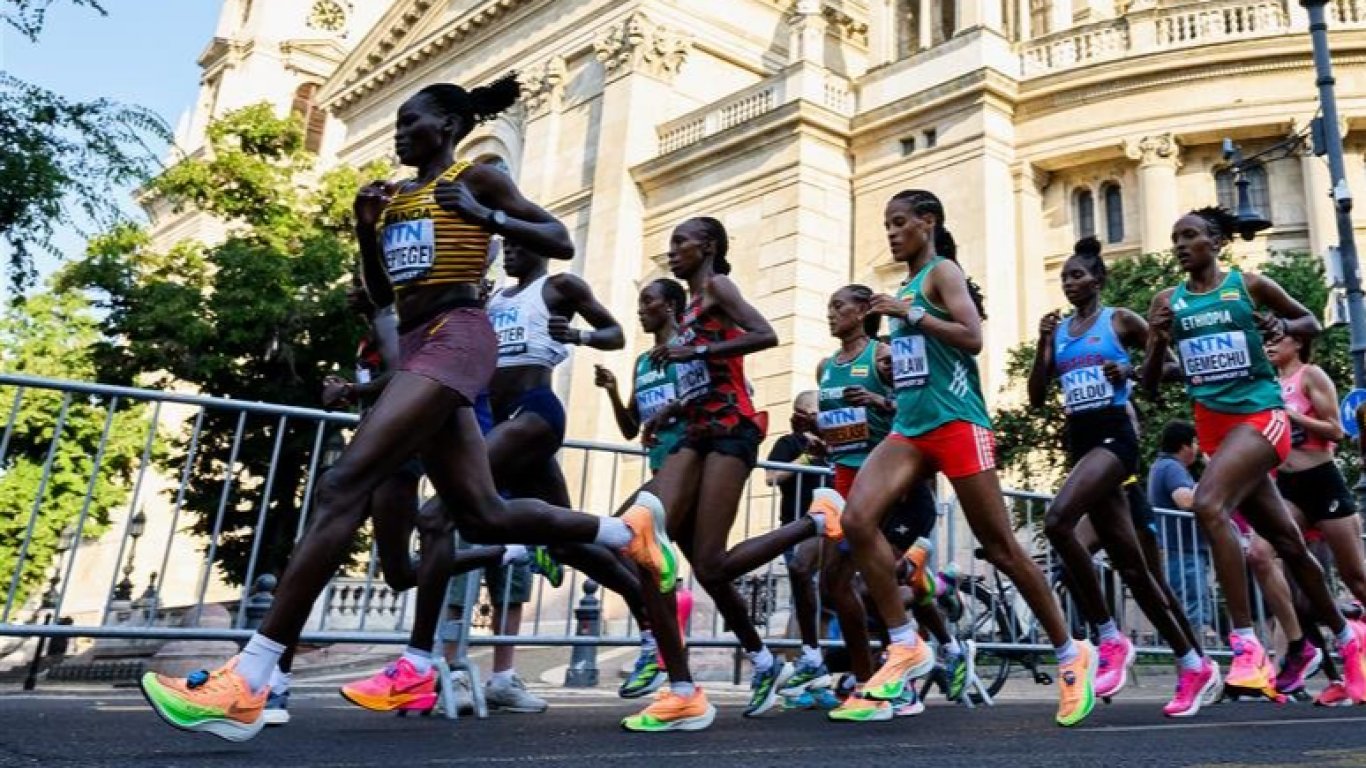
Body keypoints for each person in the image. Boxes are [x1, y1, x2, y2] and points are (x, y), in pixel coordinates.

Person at [139, 75, 676, 742]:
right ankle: (627, 534)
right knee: (484, 511)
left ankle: (252, 676)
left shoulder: (476, 178)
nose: (399, 133)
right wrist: (366, 230)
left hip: (458, 335)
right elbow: (380, 294)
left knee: (344, 485)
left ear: (447, 128)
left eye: (411, 122)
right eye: (395, 122)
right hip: (420, 340)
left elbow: (558, 235)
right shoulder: (393, 199)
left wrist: (487, 218)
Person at [341, 237, 655, 715]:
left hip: (534, 412)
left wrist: (578, 337)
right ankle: (651, 609)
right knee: (566, 542)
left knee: (436, 517)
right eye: (504, 248)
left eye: (518, 246)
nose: (509, 253)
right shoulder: (493, 300)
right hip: (498, 418)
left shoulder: (559, 286)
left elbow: (614, 332)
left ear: (539, 249)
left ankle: (417, 662)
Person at [836, 189, 1097, 728]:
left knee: (1001, 548)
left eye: (899, 222)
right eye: (886, 224)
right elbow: (922, 358)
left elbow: (971, 338)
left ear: (927, 223)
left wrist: (910, 314)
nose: (890, 232)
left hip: (957, 424)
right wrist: (895, 368)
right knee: (856, 519)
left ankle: (1072, 652)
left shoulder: (942, 272)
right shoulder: (908, 286)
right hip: (910, 425)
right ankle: (906, 643)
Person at [618, 217, 837, 732]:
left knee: (712, 564)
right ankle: (686, 686)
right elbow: (698, 380)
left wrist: (696, 350)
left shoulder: (718, 287)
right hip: (694, 431)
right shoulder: (691, 304)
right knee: (645, 533)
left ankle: (815, 519)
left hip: (732, 431)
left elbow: (765, 334)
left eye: (680, 242)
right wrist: (666, 412)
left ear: (708, 247)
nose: (670, 251)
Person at [1141, 205, 1366, 704]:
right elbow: (1152, 385)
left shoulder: (1248, 285)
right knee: (1285, 542)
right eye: (1175, 237)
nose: (1180, 245)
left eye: (1191, 236)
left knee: (1206, 504)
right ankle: (1342, 638)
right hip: (1215, 430)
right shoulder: (1167, 301)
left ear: (1216, 242)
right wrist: (1156, 337)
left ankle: (1246, 646)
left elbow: (1308, 321)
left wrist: (1273, 322)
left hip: (1262, 418)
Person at [1028, 236, 1212, 716]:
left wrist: (1126, 369)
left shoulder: (1119, 320)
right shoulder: (1062, 330)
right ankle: (1193, 662)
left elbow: (1168, 370)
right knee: (1134, 569)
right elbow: (1035, 395)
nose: (1069, 283)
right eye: (1064, 276)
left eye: (1078, 275)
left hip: (1115, 439)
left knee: (1057, 522)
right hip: (1080, 441)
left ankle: (1108, 638)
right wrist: (1045, 343)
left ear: (1098, 279)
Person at [798, 284, 970, 722]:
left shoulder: (883, 357)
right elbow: (843, 435)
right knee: (831, 585)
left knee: (867, 591)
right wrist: (818, 438)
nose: (830, 313)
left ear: (862, 311)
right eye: (829, 305)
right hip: (848, 489)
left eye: (839, 306)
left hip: (896, 493)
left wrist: (879, 399)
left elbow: (917, 414)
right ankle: (866, 680)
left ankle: (902, 685)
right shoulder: (825, 368)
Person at [592, 277, 692, 699]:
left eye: (647, 301)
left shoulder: (688, 348)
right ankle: (668, 626)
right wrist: (614, 392)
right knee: (714, 567)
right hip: (658, 469)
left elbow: (702, 398)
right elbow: (632, 427)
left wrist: (671, 411)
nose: (639, 309)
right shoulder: (644, 363)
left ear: (670, 306)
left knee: (618, 536)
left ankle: (658, 631)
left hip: (687, 465)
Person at [1266, 330, 1366, 700]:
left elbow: (1336, 431)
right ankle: (1296, 650)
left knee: (1356, 578)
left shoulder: (1310, 375)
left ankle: (1350, 640)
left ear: (1298, 344)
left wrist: (1293, 416)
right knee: (1260, 553)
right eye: (1266, 341)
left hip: (1322, 482)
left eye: (1278, 339)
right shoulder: (1268, 383)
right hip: (1287, 487)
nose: (1270, 346)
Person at [1148, 421, 1211, 636]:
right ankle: (1195, 661)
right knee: (1191, 609)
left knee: (1189, 607)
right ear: (1184, 446)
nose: (1197, 449)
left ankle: (1194, 661)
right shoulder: (1172, 467)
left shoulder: (1162, 466)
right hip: (1183, 551)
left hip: (1180, 550)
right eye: (1195, 443)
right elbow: (1185, 500)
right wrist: (1213, 474)